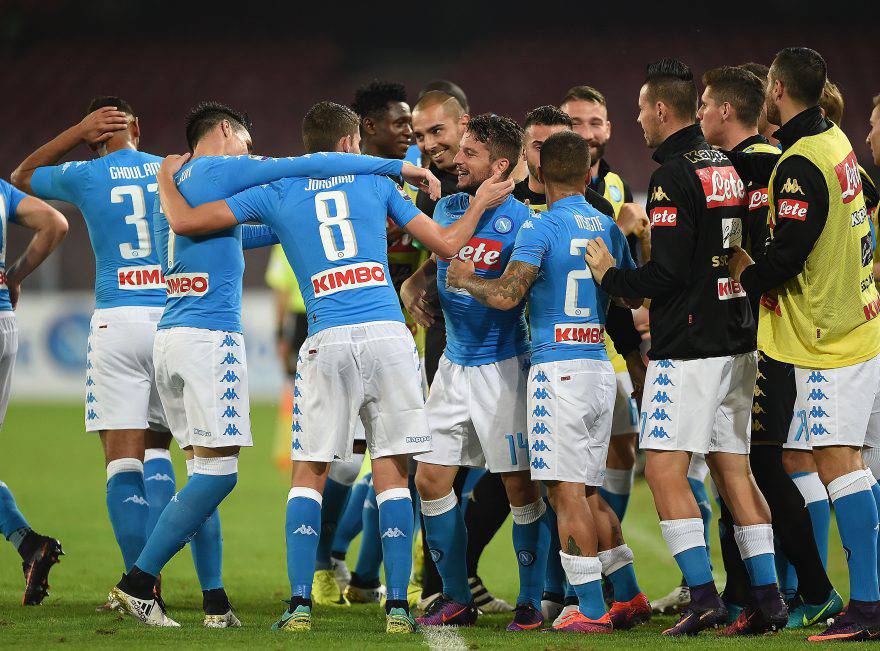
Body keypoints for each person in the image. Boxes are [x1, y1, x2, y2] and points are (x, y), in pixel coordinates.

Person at [153, 100, 512, 635]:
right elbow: (448, 245)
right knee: (392, 474)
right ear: (351, 144)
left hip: (326, 340)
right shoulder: (378, 185)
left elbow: (188, 222)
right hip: (389, 337)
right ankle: (395, 609)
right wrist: (481, 203)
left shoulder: (276, 192)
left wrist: (165, 176)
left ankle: (300, 604)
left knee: (309, 475)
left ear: (308, 145)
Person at [106, 100, 431, 628]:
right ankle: (138, 582)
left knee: (205, 471)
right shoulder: (226, 167)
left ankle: (214, 603)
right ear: (226, 131)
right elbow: (316, 164)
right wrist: (397, 168)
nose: (251, 150)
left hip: (171, 336)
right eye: (246, 139)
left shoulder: (186, 175)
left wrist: (292, 219)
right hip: (209, 339)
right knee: (218, 477)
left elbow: (218, 227)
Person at [585, 58, 786, 637]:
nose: (638, 118)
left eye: (643, 108)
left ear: (662, 110)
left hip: (691, 345)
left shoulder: (674, 175)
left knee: (667, 469)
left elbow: (668, 272)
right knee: (733, 471)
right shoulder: (723, 164)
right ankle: (768, 602)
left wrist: (613, 277)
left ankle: (704, 597)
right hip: (735, 337)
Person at [447, 128, 652, 633]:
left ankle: (590, 610)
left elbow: (507, 295)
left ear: (537, 175)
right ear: (588, 173)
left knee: (564, 493)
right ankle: (626, 595)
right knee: (587, 490)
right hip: (600, 369)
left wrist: (465, 278)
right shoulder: (606, 225)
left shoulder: (539, 228)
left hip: (557, 371)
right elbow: (629, 297)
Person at [728, 47, 880, 642]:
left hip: (825, 338)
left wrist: (746, 272)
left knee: (839, 466)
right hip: (858, 326)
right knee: (849, 466)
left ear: (777, 88)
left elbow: (788, 255)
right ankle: (861, 600)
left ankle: (866, 608)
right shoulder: (838, 142)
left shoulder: (798, 164)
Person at [11, 97, 183, 603]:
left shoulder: (86, 175)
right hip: (171, 318)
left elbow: (21, 177)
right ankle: (196, 588)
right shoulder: (170, 169)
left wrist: (74, 132)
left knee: (120, 464)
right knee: (168, 457)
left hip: (117, 321)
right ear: (139, 127)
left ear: (96, 134)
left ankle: (141, 588)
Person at [699, 65, 842, 628]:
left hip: (762, 334)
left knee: (758, 463)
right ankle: (751, 591)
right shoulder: (758, 161)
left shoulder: (764, 163)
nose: (704, 111)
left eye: (708, 102)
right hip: (749, 332)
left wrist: (747, 270)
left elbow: (771, 249)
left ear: (728, 109)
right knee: (742, 464)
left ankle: (808, 585)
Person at [401, 114, 550, 632]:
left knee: (519, 488)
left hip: (503, 366)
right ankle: (456, 595)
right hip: (452, 365)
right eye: (458, 150)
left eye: (469, 153)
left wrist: (466, 281)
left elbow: (513, 296)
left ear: (499, 166)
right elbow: (441, 248)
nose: (455, 159)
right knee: (430, 478)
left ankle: (531, 600)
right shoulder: (448, 206)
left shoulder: (526, 224)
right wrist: (417, 281)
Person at [0, 179, 68, 605]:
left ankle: (29, 544)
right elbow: (55, 223)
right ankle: (30, 546)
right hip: (4, 322)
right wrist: (14, 275)